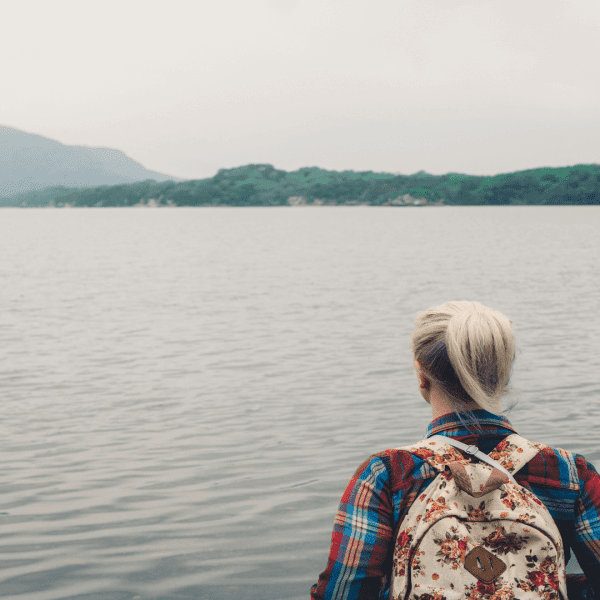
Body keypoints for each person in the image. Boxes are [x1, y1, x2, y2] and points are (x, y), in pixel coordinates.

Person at [311, 301, 600, 600]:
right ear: (504, 374)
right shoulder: (570, 474)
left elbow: (342, 592)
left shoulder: (386, 475)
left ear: (421, 375)